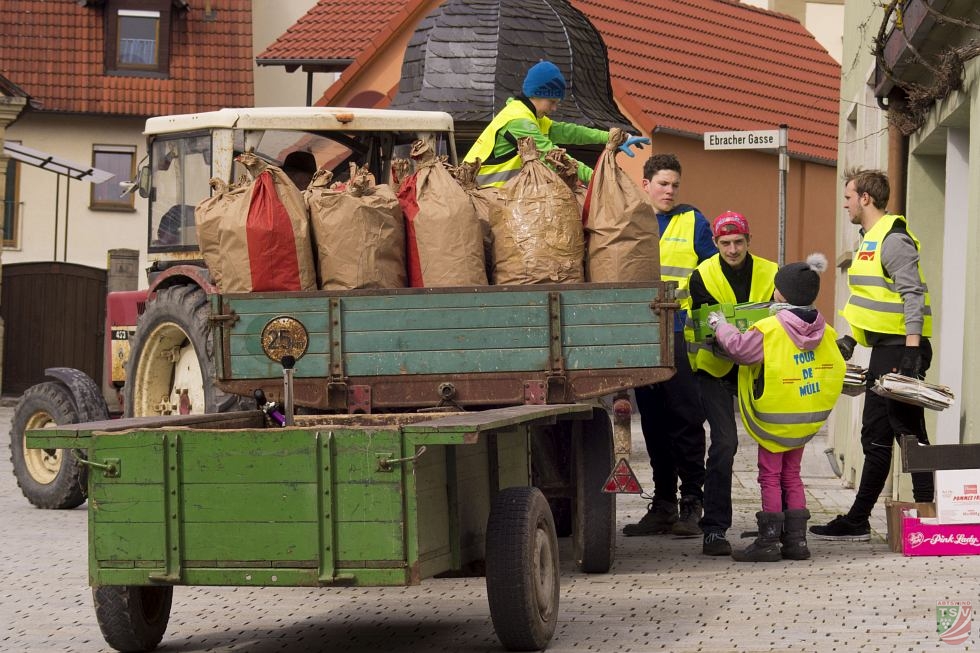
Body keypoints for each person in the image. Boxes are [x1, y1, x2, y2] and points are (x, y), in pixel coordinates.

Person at [810, 168, 934, 541]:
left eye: (848, 197)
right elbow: (875, 303)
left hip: (902, 349)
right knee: (878, 434)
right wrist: (851, 340)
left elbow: (911, 296)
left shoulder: (892, 240)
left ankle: (927, 513)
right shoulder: (869, 240)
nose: (845, 203)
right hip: (884, 348)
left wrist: (912, 354)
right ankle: (861, 517)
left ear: (865, 198)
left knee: (907, 430)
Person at [706, 253, 845, 561]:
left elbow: (740, 349)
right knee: (792, 474)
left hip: (773, 418)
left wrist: (720, 325)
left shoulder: (771, 328)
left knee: (770, 475)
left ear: (781, 292)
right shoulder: (825, 329)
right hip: (802, 419)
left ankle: (768, 541)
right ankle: (797, 542)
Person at [623, 153, 716, 538]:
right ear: (645, 184)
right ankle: (662, 505)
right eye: (663, 183)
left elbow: (713, 274)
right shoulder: (628, 218)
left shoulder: (692, 220)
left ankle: (691, 503)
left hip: (680, 333)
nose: (670, 190)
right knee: (654, 422)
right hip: (642, 334)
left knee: (686, 420)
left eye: (675, 184)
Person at [686, 211, 777, 555]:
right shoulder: (703, 275)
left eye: (739, 242)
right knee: (724, 444)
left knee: (777, 442)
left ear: (749, 241)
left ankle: (777, 524)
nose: (733, 249)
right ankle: (714, 529)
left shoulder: (771, 271)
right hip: (716, 367)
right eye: (726, 243)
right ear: (716, 244)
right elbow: (706, 327)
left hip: (758, 367)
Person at [464, 60, 649, 188]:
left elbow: (570, 132)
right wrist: (597, 179)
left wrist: (612, 137)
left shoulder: (529, 117)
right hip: (483, 194)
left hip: (494, 195)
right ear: (537, 93)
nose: (553, 109)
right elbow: (554, 158)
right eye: (552, 102)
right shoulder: (519, 122)